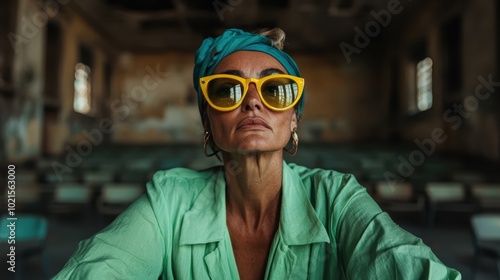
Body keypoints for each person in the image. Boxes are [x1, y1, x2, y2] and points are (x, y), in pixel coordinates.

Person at [52, 28, 461, 279]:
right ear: (208, 122)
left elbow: (398, 261)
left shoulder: (337, 199)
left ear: (294, 119)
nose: (252, 104)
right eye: (227, 90)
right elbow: (103, 267)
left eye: (274, 89)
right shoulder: (169, 201)